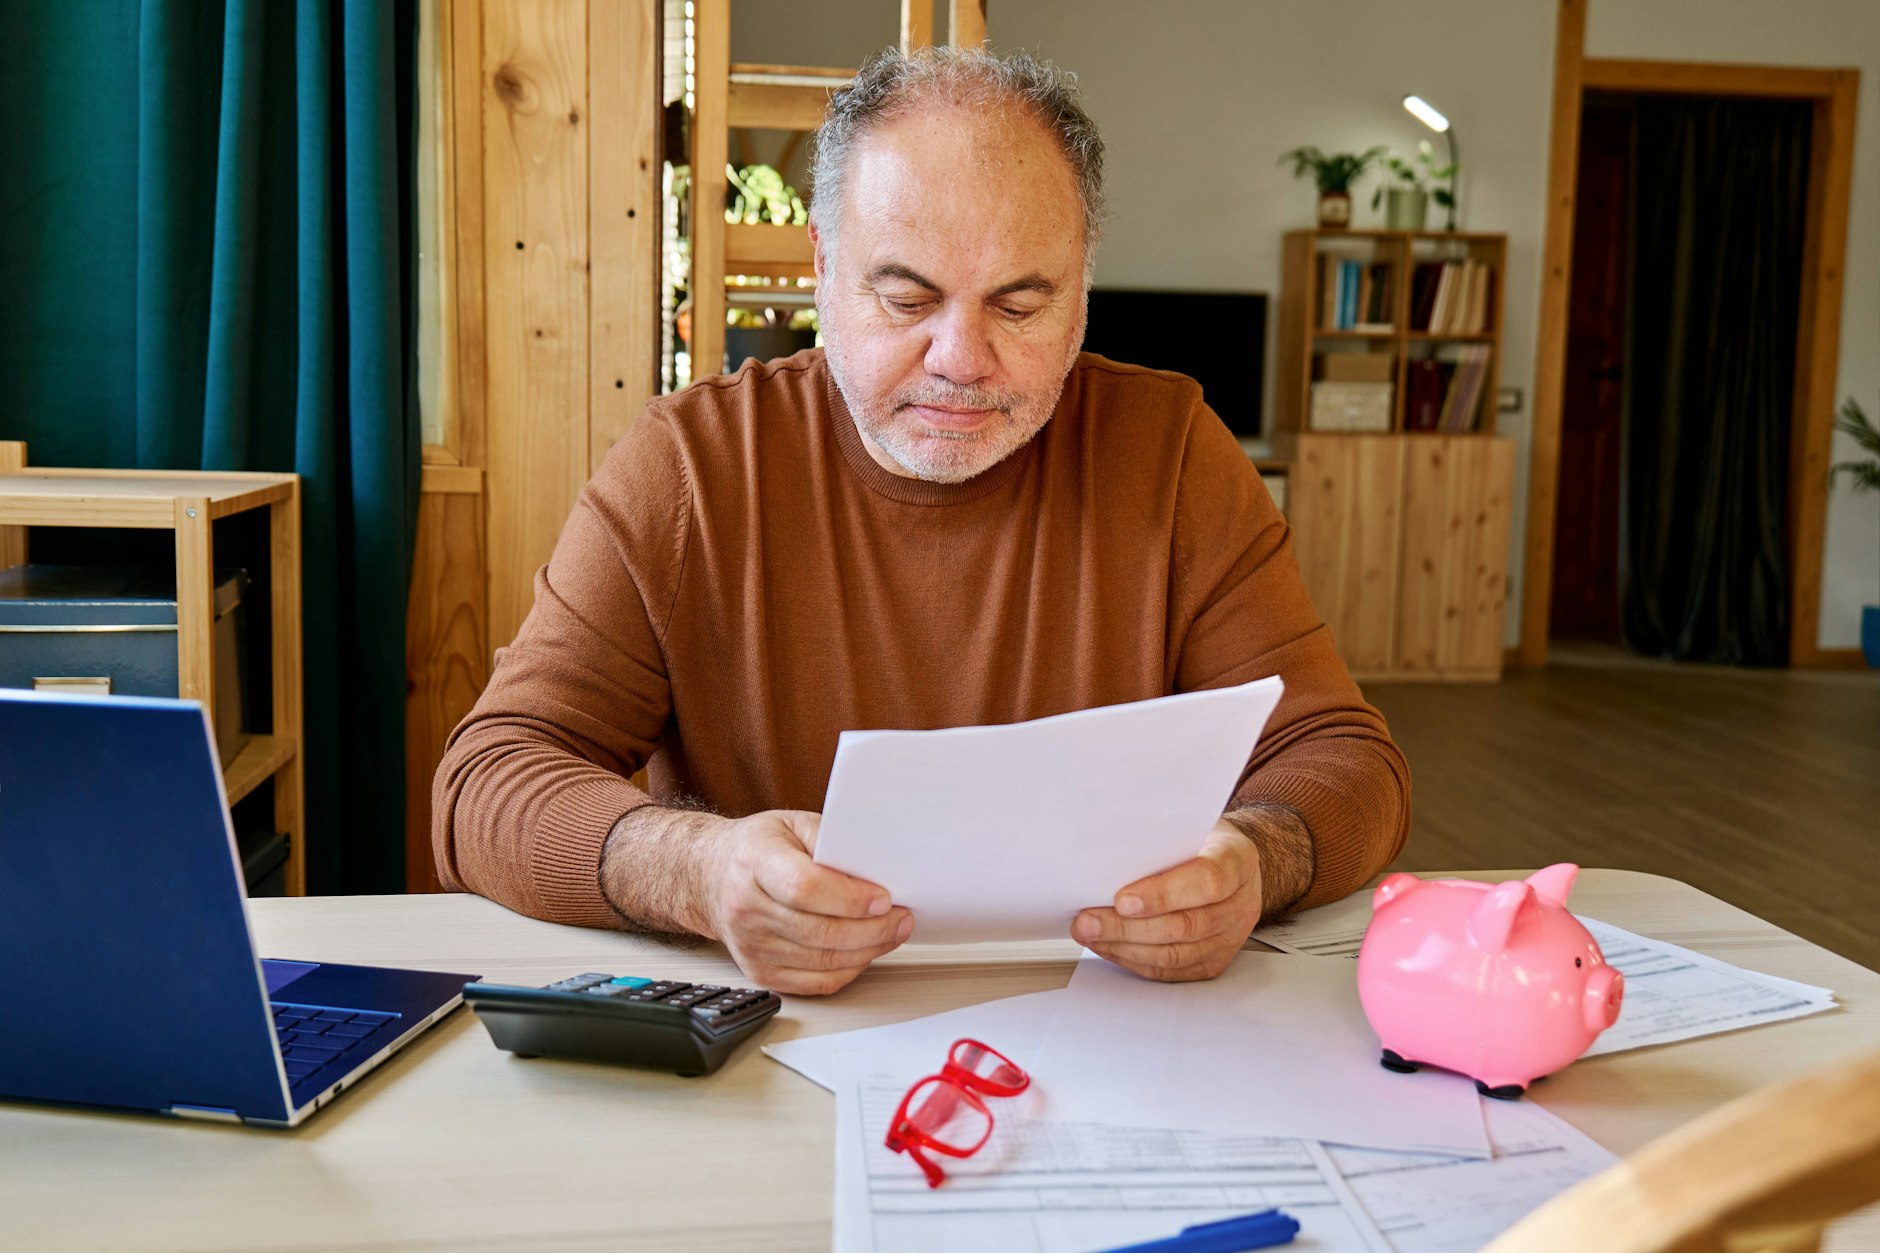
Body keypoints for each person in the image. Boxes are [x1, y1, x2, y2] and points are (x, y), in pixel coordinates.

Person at [434, 46, 1409, 995]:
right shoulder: (692, 465)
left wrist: (1251, 858)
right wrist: (695, 867)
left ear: (1081, 282)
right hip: (771, 1042)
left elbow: (1344, 758)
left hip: (1101, 1028)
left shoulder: (1171, 454)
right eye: (905, 297)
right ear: (821, 264)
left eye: (1021, 306)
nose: (959, 358)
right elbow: (487, 778)